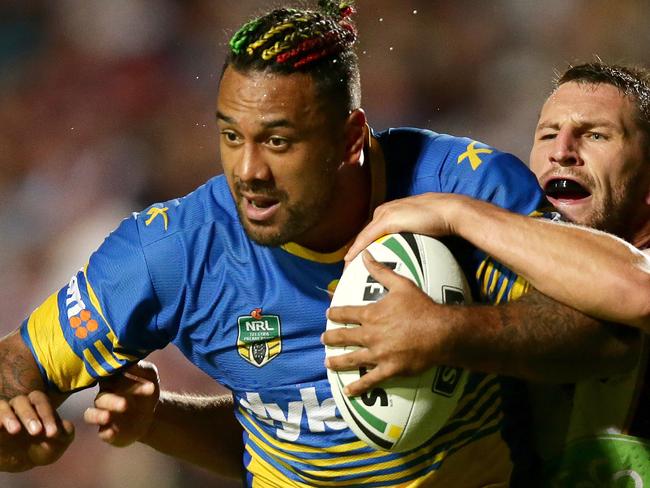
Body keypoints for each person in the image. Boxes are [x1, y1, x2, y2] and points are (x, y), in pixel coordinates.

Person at [0, 2, 635, 485]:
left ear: (351, 136)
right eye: (230, 135)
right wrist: (17, 427)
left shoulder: (460, 186)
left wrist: (449, 332)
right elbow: (17, 366)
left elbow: (604, 335)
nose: (247, 169)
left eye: (278, 141)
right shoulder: (175, 249)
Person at [324, 62, 650, 485]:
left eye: (596, 135)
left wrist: (457, 211)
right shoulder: (491, 284)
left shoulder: (470, 223)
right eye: (548, 134)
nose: (562, 150)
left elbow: (638, 292)